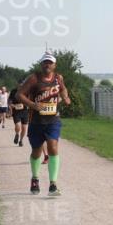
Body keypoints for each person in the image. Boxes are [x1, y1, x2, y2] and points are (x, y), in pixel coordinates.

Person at [16, 52, 71, 196]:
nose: (47, 65)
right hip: (36, 121)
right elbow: (19, 95)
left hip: (53, 120)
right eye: (45, 62)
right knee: (37, 152)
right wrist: (32, 105)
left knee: (53, 147)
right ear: (41, 64)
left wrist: (65, 97)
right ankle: (35, 179)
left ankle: (53, 184)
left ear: (54, 65)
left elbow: (63, 89)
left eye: (50, 62)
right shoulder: (34, 79)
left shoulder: (58, 78)